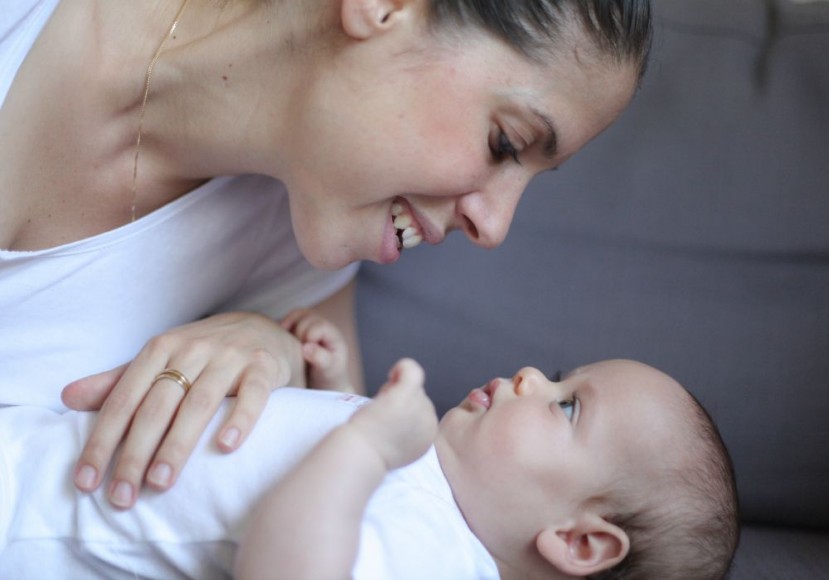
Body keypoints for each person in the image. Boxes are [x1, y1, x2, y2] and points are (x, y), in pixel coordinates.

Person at [0, 0, 653, 510]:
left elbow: (356, 488)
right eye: (505, 143)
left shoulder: (304, 242)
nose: (494, 226)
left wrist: (274, 348)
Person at [0, 310, 739, 579]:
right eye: (555, 376)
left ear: (577, 542)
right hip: (39, 447)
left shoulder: (442, 558)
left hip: (29, 522)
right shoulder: (432, 489)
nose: (528, 378)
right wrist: (337, 383)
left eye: (567, 406)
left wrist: (362, 444)